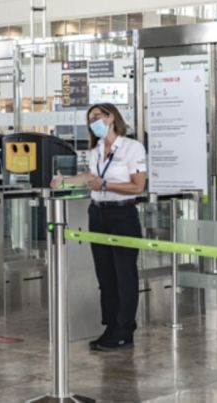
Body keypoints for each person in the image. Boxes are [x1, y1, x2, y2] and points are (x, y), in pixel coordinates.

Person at [51, 103, 146, 351]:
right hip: (98, 214)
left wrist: (105, 186)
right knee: (105, 275)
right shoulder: (95, 150)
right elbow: (90, 177)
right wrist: (64, 182)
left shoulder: (131, 147)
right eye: (90, 119)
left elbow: (137, 187)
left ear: (111, 117)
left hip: (123, 214)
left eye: (97, 116)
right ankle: (111, 325)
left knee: (124, 275)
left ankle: (125, 329)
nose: (94, 122)